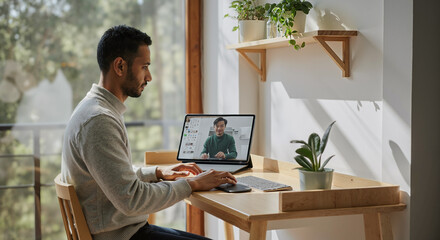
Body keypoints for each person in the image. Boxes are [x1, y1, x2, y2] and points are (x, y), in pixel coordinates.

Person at [61, 25, 236, 240]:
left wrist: (157, 173)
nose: (150, 77)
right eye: (144, 67)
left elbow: (112, 177)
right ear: (120, 66)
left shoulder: (94, 109)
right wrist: (192, 184)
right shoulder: (99, 120)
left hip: (123, 231)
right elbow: (131, 199)